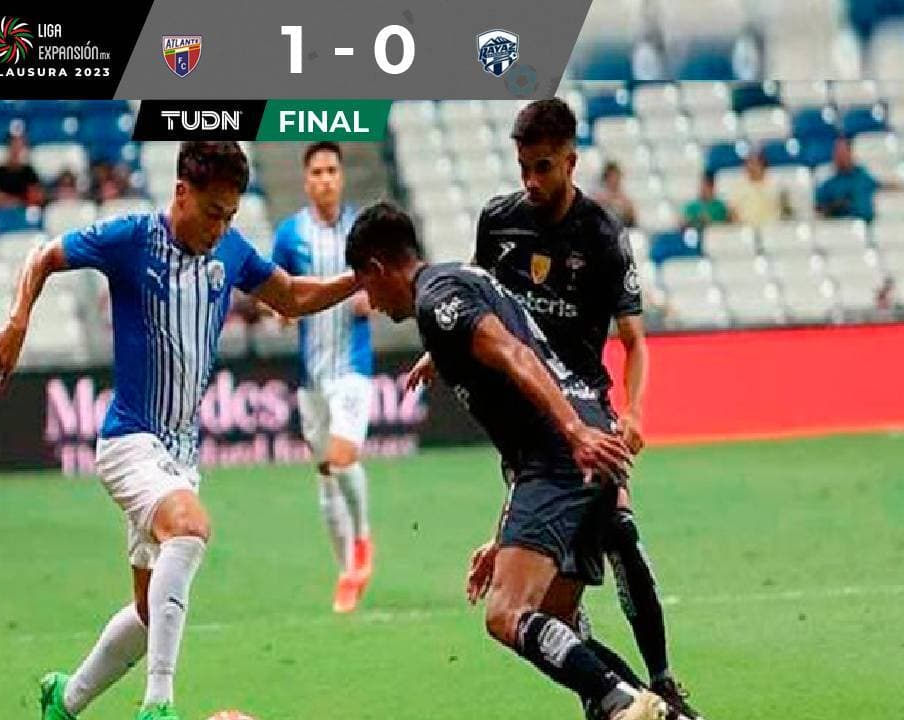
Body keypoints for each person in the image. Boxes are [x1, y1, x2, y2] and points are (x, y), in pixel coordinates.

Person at [0, 141, 361, 720]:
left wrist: (357, 280)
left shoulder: (230, 250)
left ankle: (65, 699)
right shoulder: (132, 238)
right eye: (213, 213)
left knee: (148, 611)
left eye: (230, 216)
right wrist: (18, 321)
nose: (221, 227)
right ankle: (158, 706)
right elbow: (43, 257)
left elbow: (289, 293)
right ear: (182, 192)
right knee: (189, 528)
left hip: (181, 455)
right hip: (129, 440)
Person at [407, 98, 703, 719]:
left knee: (620, 534)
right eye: (523, 167)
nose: (531, 181)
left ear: (571, 161)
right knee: (554, 608)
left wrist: (635, 411)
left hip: (586, 413)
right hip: (529, 422)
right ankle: (629, 703)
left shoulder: (602, 236)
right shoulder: (499, 222)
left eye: (543, 167)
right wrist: (442, 351)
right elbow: (478, 300)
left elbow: (635, 341)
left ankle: (661, 682)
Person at [345, 200, 665, 720]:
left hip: (565, 452)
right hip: (581, 441)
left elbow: (517, 356)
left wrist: (574, 432)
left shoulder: (437, 300)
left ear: (378, 269)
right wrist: (504, 537)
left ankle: (623, 702)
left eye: (365, 285)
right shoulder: (462, 278)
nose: (370, 302)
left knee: (506, 613)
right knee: (557, 616)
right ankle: (661, 709)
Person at [272, 142, 376, 613]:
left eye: (332, 170)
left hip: (352, 368)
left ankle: (363, 541)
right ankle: (347, 570)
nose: (325, 179)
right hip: (310, 375)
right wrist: (281, 311)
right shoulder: (290, 234)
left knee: (341, 458)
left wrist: (373, 298)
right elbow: (274, 290)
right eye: (317, 172)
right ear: (306, 180)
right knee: (325, 475)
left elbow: (387, 281)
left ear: (342, 176)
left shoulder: (363, 231)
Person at [816, 136, 894, 222]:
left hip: (869, 222)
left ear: (851, 153)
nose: (840, 156)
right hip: (842, 224)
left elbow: (881, 186)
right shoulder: (827, 185)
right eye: (837, 153)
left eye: (843, 152)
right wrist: (835, 206)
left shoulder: (863, 176)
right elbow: (820, 210)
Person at [0, 132, 44, 208]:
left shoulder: (29, 171)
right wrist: (12, 201)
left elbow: (37, 197)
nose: (16, 151)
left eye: (20, 147)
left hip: (24, 210)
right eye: (13, 146)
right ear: (8, 148)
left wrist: (18, 202)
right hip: (3, 210)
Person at [728, 150, 786, 226]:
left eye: (754, 164)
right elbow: (733, 213)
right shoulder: (738, 188)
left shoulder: (776, 186)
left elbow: (784, 211)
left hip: (772, 228)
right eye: (748, 164)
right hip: (746, 228)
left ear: (763, 166)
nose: (751, 167)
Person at [594, 162, 637, 227]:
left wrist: (625, 207)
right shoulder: (598, 197)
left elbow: (632, 220)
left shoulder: (625, 199)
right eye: (612, 177)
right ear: (606, 178)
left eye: (617, 177)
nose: (614, 180)